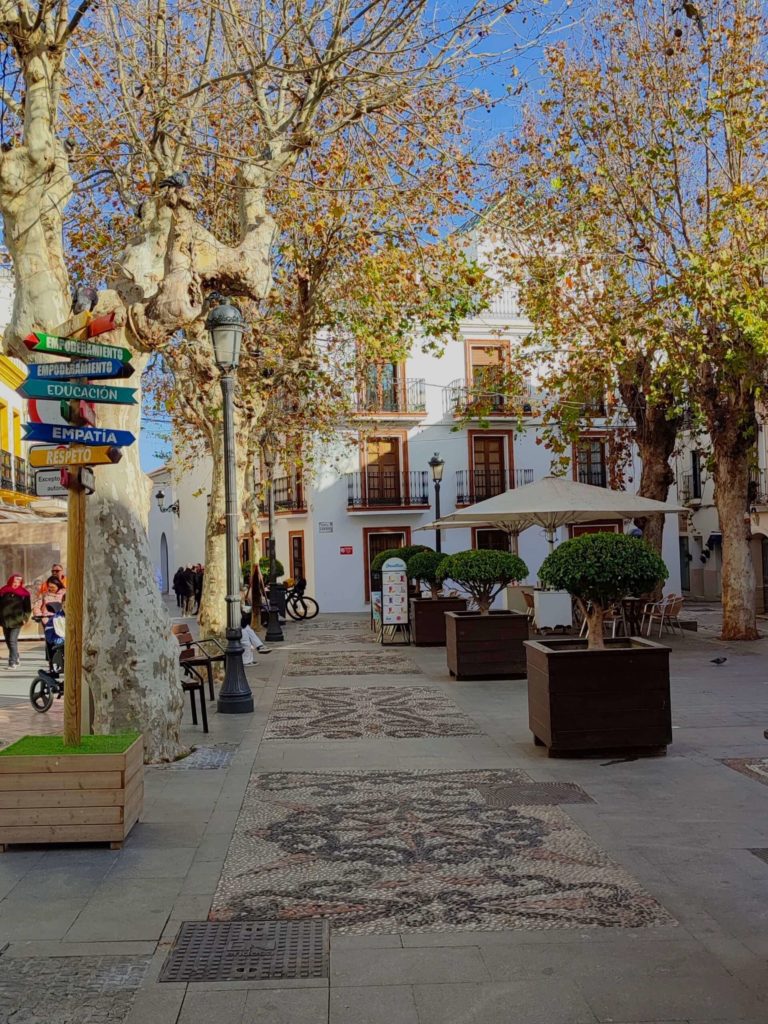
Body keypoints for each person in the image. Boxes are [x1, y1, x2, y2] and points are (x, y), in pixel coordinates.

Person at [0, 574, 32, 668]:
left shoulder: (24, 594)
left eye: (18, 582)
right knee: (7, 640)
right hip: (5, 620)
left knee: (12, 640)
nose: (16, 584)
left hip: (17, 621)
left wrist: (25, 618)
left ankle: (12, 662)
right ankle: (16, 655)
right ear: (10, 582)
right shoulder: (3, 591)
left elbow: (28, 608)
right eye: (14, 582)